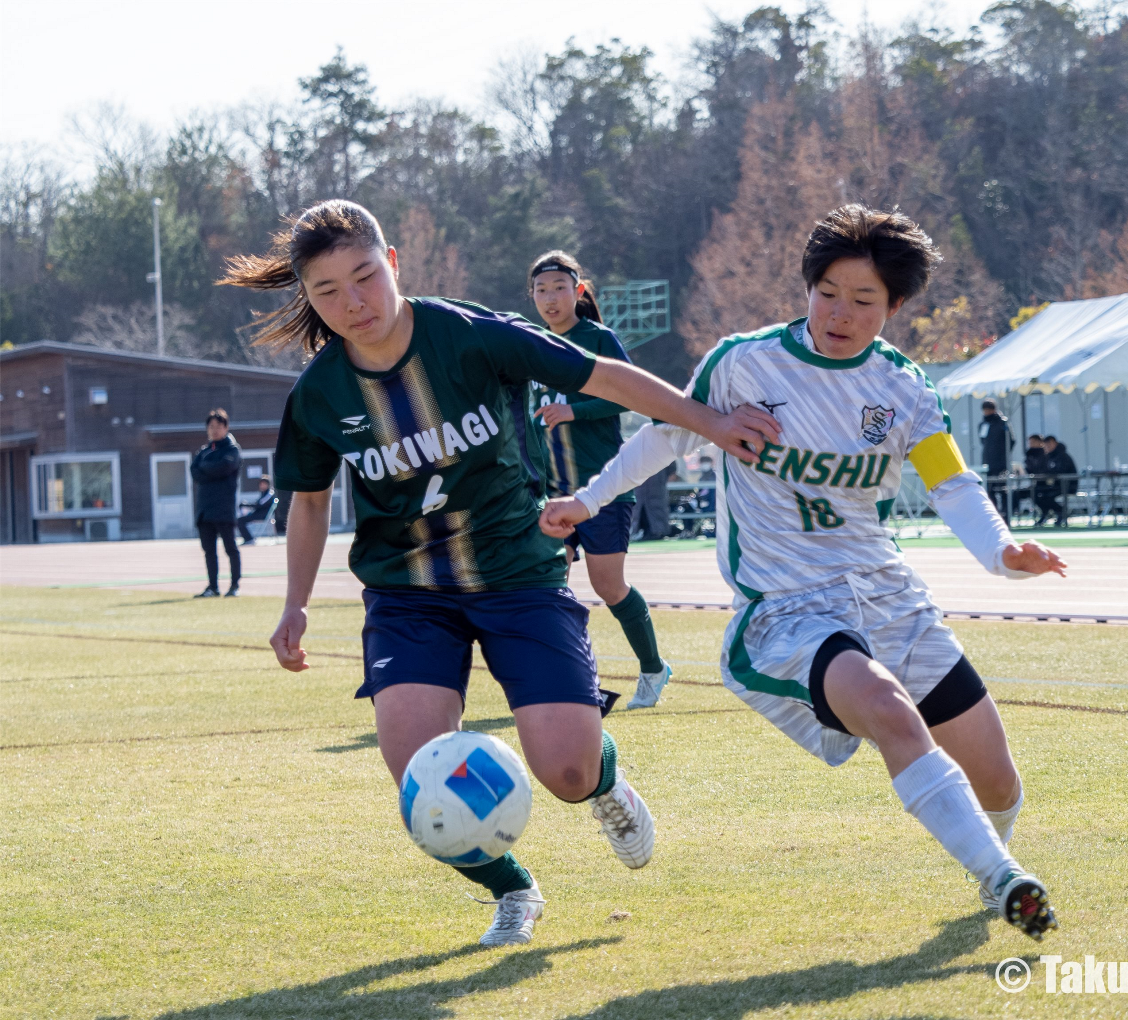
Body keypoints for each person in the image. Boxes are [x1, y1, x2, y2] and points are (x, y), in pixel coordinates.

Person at [220, 199, 778, 948]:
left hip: (517, 572)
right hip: (409, 594)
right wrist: (295, 604)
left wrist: (709, 421)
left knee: (567, 771)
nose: (352, 303)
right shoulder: (319, 394)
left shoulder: (474, 336)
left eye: (364, 277)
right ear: (309, 298)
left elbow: (605, 377)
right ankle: (513, 890)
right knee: (419, 777)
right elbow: (310, 501)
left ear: (393, 264)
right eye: (327, 291)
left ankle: (604, 782)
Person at [542, 205, 1064, 939]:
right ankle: (1006, 879)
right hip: (788, 608)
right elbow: (665, 436)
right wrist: (588, 499)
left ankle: (990, 862)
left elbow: (950, 482)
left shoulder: (905, 388)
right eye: (827, 293)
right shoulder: (742, 363)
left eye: (863, 300)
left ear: (894, 306)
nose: (840, 313)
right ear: (808, 288)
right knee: (887, 709)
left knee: (999, 779)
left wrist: (1003, 553)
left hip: (889, 598)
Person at [528, 251, 672, 709]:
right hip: (553, 496)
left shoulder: (598, 339)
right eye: (541, 290)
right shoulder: (529, 344)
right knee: (548, 588)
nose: (550, 298)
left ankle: (653, 668)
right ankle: (570, 682)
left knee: (608, 587)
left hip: (604, 489)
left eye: (559, 288)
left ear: (578, 291)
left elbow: (629, 397)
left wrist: (575, 411)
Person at [191, 408, 242, 597]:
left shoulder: (232, 449)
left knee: (231, 548)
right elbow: (194, 471)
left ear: (226, 427)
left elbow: (225, 467)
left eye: (218, 426)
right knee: (209, 551)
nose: (214, 430)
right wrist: (209, 469)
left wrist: (206, 469)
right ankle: (213, 587)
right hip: (204, 510)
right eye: (211, 426)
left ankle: (234, 586)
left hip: (224, 509)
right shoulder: (203, 452)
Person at [978, 399, 1014, 524]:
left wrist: (1001, 454)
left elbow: (1011, 441)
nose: (987, 412)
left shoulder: (1003, 423)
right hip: (987, 463)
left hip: (1001, 463)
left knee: (1003, 490)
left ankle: (1006, 516)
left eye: (989, 409)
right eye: (985, 410)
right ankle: (993, 517)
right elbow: (982, 441)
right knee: (989, 490)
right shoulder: (983, 424)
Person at [1035, 436, 1077, 526]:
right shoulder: (1047, 457)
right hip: (1053, 486)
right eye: (1046, 445)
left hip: (1067, 486)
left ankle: (1061, 512)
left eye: (1049, 444)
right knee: (1035, 493)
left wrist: (1049, 475)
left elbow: (1060, 472)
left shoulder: (1063, 456)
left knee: (1046, 496)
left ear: (1055, 443)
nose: (1047, 447)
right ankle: (1046, 513)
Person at [237, 474, 277, 545]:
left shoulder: (269, 494)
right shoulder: (263, 493)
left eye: (264, 484)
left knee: (240, 520)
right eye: (261, 484)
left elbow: (259, 505)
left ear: (268, 484)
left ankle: (249, 539)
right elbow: (257, 503)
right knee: (240, 520)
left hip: (262, 515)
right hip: (257, 514)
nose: (262, 485)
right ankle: (248, 539)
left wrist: (246, 505)